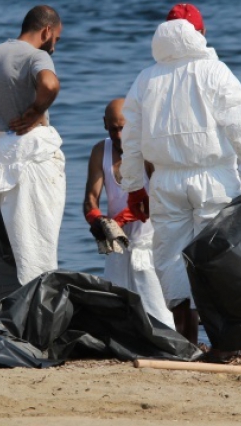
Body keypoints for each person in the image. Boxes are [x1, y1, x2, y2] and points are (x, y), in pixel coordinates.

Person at [120, 3, 241, 344]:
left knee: (171, 259)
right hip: (214, 177)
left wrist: (134, 188)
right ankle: (221, 341)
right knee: (217, 257)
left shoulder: (146, 78)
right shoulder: (215, 72)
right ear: (200, 34)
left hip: (164, 180)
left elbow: (129, 138)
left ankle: (185, 342)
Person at [0, 5, 66, 285]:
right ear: (46, 31)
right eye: (57, 39)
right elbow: (50, 84)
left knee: (5, 253)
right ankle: (36, 319)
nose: (55, 47)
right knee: (36, 248)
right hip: (30, 160)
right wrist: (36, 110)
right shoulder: (35, 55)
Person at [83, 98, 175, 328]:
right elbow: (90, 199)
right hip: (119, 245)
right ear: (105, 124)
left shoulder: (149, 151)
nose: (119, 135)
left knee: (158, 312)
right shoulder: (100, 151)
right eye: (113, 128)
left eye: (124, 128)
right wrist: (96, 219)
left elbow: (159, 201)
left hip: (149, 244)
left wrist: (121, 219)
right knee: (116, 310)